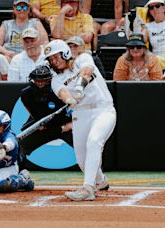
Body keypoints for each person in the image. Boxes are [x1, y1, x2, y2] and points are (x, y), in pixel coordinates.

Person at [44, 39, 116, 201]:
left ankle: (88, 188)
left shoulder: (82, 59)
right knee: (82, 160)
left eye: (56, 57)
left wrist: (79, 86)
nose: (54, 62)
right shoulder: (55, 78)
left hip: (102, 109)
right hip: (80, 114)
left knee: (94, 141)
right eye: (51, 59)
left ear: (65, 53)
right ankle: (100, 181)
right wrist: (70, 100)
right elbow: (62, 93)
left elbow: (87, 71)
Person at [18, 64, 73, 170]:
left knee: (82, 143)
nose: (40, 83)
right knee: (21, 145)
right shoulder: (26, 94)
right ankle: (19, 171)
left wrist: (70, 125)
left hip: (64, 126)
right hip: (43, 126)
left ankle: (94, 171)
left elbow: (76, 112)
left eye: (43, 81)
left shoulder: (60, 90)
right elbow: (31, 112)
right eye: (37, 80)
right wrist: (38, 123)